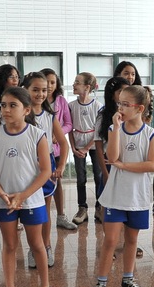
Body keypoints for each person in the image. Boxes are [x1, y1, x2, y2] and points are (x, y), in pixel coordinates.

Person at [0, 86, 57, 287]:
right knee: (10, 245)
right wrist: (3, 194)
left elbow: (46, 171)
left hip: (31, 200)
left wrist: (23, 196)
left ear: (26, 110)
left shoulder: (37, 135)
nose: (5, 110)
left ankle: (45, 286)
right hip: (4, 201)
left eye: (12, 105)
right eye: (3, 105)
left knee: (37, 244)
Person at [88, 85, 154, 287]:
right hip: (116, 195)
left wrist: (124, 166)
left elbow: (153, 165)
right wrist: (117, 129)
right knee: (110, 240)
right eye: (119, 103)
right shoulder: (114, 128)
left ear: (139, 108)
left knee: (131, 239)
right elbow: (112, 157)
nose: (120, 108)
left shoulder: (151, 134)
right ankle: (101, 282)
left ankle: (128, 279)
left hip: (138, 197)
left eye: (125, 104)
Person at [21, 71, 70, 268]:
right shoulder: (21, 114)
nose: (40, 94)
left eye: (44, 90)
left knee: (45, 209)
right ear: (25, 90)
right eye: (35, 90)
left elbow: (64, 144)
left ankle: (46, 245)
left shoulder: (49, 116)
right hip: (26, 166)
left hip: (46, 165)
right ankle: (34, 247)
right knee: (29, 209)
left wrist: (61, 165)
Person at [42, 68, 77, 230]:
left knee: (57, 182)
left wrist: (59, 133)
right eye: (46, 82)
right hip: (38, 152)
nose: (49, 85)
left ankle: (61, 216)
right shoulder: (34, 101)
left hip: (55, 150)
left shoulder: (61, 100)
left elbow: (69, 124)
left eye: (52, 82)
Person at [95, 76, 131, 224]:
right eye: (120, 91)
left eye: (127, 91)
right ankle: (108, 233)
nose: (124, 95)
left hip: (127, 162)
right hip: (110, 163)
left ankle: (124, 235)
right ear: (112, 94)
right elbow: (98, 145)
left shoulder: (130, 113)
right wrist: (104, 172)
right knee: (108, 202)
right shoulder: (103, 115)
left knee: (125, 200)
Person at [69, 72, 103, 225]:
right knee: (80, 178)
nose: (74, 85)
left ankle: (99, 207)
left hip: (95, 144)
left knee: (98, 176)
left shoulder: (97, 106)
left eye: (77, 82)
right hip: (78, 145)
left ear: (87, 87)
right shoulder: (71, 106)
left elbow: (98, 130)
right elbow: (70, 129)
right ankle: (82, 208)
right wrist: (73, 147)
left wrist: (87, 147)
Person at [0, 64, 20, 128]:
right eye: (11, 77)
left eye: (16, 77)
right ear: (3, 79)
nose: (15, 80)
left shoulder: (20, 96)